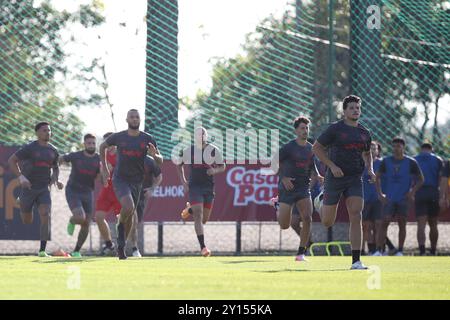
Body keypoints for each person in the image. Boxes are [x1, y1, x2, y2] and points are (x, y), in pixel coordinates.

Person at [312, 95, 374, 270]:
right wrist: (331, 166)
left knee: (356, 214)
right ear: (345, 111)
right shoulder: (335, 129)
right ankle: (321, 201)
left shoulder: (364, 133)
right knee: (327, 222)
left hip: (355, 178)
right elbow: (316, 148)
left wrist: (370, 169)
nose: (356, 110)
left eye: (358, 107)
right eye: (352, 108)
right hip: (335, 177)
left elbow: (367, 153)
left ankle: (356, 261)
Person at [99, 109, 162, 260]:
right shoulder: (119, 137)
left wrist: (155, 156)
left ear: (140, 119)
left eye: (137, 117)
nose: (134, 119)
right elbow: (102, 147)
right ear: (126, 120)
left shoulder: (148, 138)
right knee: (128, 207)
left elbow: (159, 161)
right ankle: (121, 233)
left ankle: (121, 244)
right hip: (120, 179)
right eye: (131, 117)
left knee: (128, 215)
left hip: (137, 181)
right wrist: (106, 169)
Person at [8, 122, 63, 257]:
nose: (48, 133)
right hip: (29, 188)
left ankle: (42, 251)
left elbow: (55, 167)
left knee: (45, 215)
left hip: (44, 188)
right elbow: (11, 160)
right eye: (44, 130)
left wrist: (56, 180)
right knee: (27, 220)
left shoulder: (53, 150)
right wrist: (21, 177)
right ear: (37, 133)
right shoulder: (30, 148)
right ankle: (23, 203)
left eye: (49, 130)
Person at [272, 116, 321, 262]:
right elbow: (274, 164)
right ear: (296, 130)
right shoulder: (288, 147)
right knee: (284, 225)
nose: (305, 131)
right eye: (302, 128)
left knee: (307, 218)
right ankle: (277, 205)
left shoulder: (311, 148)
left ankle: (301, 253)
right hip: (287, 188)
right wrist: (284, 178)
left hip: (303, 188)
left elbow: (312, 166)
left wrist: (318, 175)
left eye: (307, 128)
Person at [177, 127, 226, 257]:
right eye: (198, 134)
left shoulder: (214, 150)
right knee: (198, 216)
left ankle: (190, 209)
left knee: (204, 219)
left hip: (208, 187)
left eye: (203, 133)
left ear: (206, 136)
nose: (201, 136)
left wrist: (214, 171)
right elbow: (178, 164)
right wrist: (183, 182)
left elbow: (222, 166)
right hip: (195, 187)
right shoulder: (189, 150)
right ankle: (203, 247)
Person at [376, 137, 424, 256]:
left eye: (398, 146)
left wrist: (412, 192)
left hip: (403, 199)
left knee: (402, 223)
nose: (396, 148)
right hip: (389, 198)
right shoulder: (386, 161)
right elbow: (376, 177)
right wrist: (380, 193)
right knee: (384, 222)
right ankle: (379, 250)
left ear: (403, 147)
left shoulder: (411, 162)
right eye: (394, 146)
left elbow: (421, 180)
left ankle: (400, 250)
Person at [60, 134, 100, 258]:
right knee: (80, 217)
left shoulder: (99, 159)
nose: (91, 145)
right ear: (84, 144)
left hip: (88, 192)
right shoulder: (76, 156)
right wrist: (54, 174)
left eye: (93, 143)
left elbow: (100, 177)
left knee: (86, 223)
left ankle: (76, 251)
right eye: (89, 143)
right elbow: (60, 158)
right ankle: (72, 220)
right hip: (73, 190)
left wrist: (105, 172)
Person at [128, 154, 162, 257]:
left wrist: (152, 188)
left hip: (141, 196)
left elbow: (159, 176)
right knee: (132, 220)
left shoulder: (150, 161)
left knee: (135, 223)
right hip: (127, 193)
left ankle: (133, 248)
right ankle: (133, 248)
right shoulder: (127, 159)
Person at [414, 143, 444, 255]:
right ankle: (433, 250)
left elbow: (411, 178)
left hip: (419, 192)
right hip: (433, 192)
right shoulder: (438, 159)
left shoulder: (414, 159)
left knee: (421, 224)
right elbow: (441, 178)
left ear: (421, 149)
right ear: (432, 149)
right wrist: (442, 196)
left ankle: (422, 251)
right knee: (433, 223)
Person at [95, 132, 121, 256]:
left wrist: (115, 169)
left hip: (120, 192)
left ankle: (122, 245)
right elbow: (101, 179)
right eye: (106, 143)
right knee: (99, 217)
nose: (109, 145)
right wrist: (104, 172)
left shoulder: (122, 155)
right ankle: (109, 244)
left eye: (111, 142)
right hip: (107, 191)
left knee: (121, 220)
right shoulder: (103, 157)